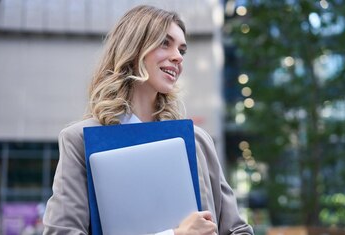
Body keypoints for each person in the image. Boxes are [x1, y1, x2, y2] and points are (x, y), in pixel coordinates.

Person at [42, 5, 254, 235]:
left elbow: (237, 230)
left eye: (182, 50)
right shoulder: (79, 140)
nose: (178, 57)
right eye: (165, 43)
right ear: (133, 48)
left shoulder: (197, 140)